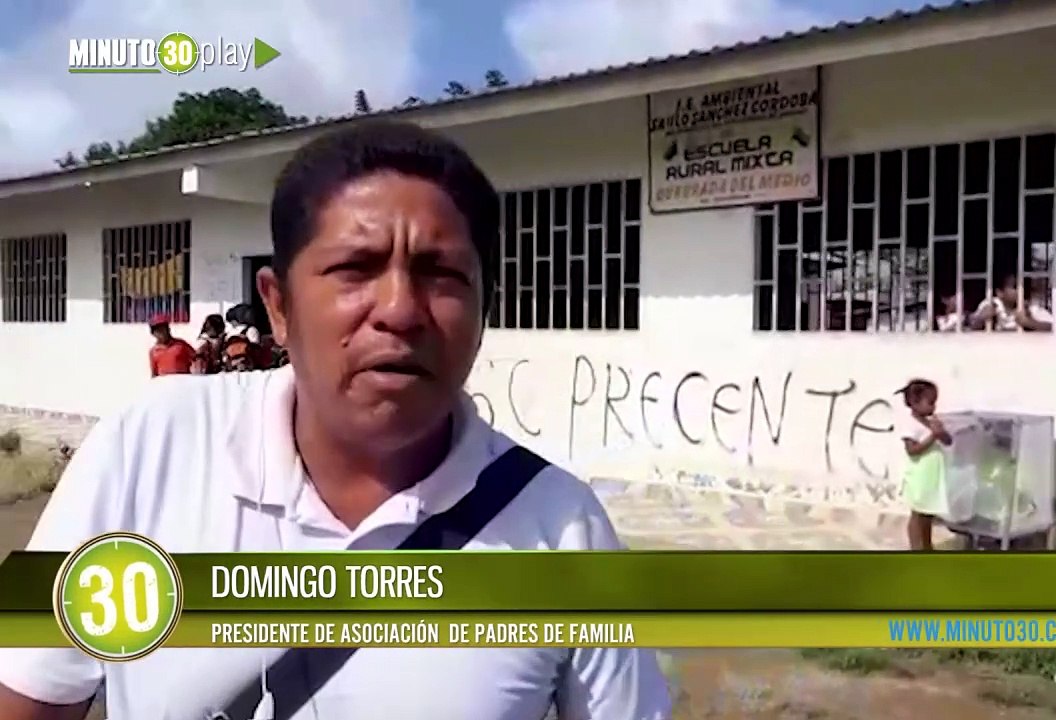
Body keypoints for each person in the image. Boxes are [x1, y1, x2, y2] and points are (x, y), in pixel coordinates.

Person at [0, 121, 672, 719]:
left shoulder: (562, 529)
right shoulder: (150, 447)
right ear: (279, 305)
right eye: (355, 268)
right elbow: (32, 698)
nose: (401, 311)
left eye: (442, 275)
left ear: (483, 310)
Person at [896, 378, 952, 551]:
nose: (933, 407)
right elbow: (912, 450)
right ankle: (916, 547)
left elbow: (948, 441)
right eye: (930, 402)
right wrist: (932, 436)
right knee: (917, 514)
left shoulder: (930, 422)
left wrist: (941, 433)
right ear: (914, 403)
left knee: (927, 513)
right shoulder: (909, 424)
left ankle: (927, 546)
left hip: (931, 477)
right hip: (918, 476)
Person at [971, 275, 1053, 332]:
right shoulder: (991, 304)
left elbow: (1054, 327)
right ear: (1000, 292)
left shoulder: (1029, 307)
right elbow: (970, 326)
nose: (1019, 290)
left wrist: (1029, 322)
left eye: (1021, 287)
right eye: (1014, 287)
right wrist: (981, 318)